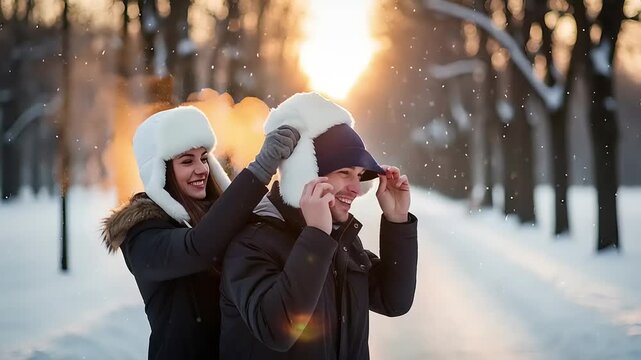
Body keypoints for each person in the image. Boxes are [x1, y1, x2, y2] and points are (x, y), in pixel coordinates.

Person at [219, 92, 418, 360]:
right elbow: (278, 330)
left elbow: (394, 300)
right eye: (344, 172)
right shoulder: (251, 241)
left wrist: (397, 219)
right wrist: (315, 236)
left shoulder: (338, 236)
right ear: (306, 174)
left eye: (359, 176)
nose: (356, 189)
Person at [100, 105, 299, 360]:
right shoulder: (142, 235)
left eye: (204, 158)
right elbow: (198, 248)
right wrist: (260, 169)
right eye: (186, 161)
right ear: (160, 171)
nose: (201, 169)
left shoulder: (222, 218)